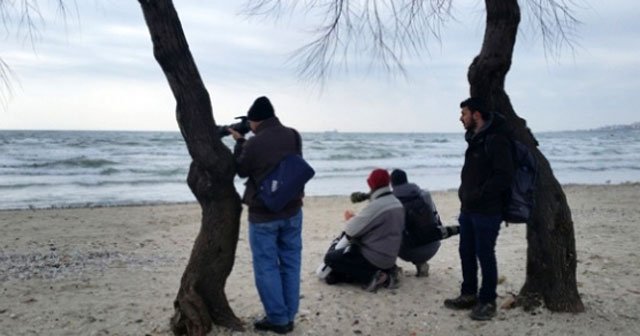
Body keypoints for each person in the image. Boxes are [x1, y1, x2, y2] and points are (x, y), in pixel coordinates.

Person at [229, 96, 303, 334]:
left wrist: (240, 142)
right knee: (291, 263)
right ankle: (289, 315)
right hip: (292, 209)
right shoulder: (293, 135)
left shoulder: (254, 143)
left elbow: (240, 171)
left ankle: (278, 319)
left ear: (255, 121)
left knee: (266, 267)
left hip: (263, 214)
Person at [444, 97, 515, 321]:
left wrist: (479, 194)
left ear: (476, 115)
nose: (460, 118)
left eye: (464, 113)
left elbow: (504, 176)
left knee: (485, 255)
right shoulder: (475, 139)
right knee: (466, 252)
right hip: (468, 209)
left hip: (488, 211)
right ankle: (468, 294)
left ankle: (487, 301)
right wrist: (466, 195)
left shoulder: (496, 139)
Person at [323, 168, 405, 292]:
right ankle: (388, 271)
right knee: (336, 273)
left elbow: (350, 230)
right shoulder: (397, 203)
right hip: (389, 258)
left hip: (373, 257)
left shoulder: (377, 206)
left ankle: (376, 276)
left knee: (330, 258)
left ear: (372, 184)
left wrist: (350, 219)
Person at [389, 169, 460, 277]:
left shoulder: (391, 201)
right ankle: (421, 263)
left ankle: (391, 267)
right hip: (433, 244)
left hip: (407, 251)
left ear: (392, 183)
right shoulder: (424, 195)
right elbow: (435, 218)